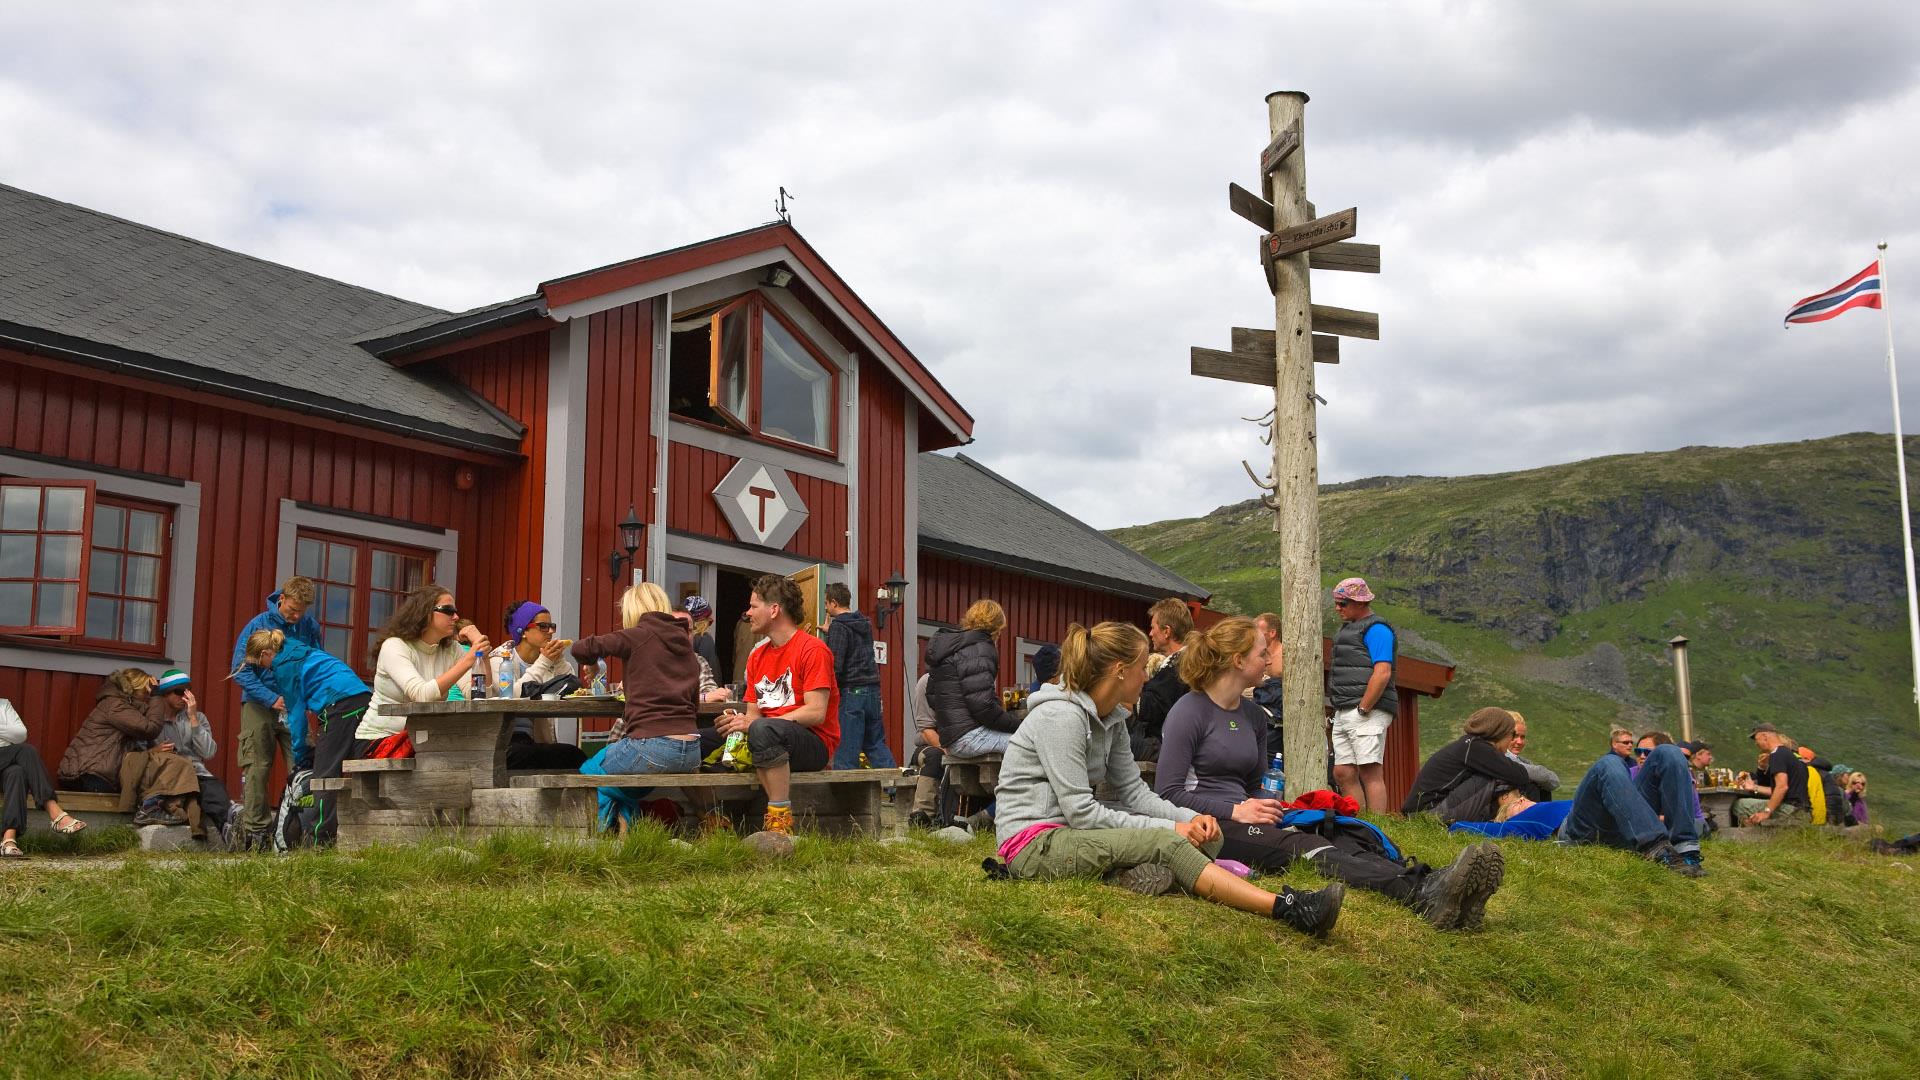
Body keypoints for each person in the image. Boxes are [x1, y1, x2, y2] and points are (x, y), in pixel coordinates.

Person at [991, 620, 1345, 939]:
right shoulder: (1061, 717)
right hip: (1034, 843)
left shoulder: (1111, 719)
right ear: (1119, 670)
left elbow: (1134, 792)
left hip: (1070, 832)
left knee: (1208, 837)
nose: (1147, 677)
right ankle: (1290, 907)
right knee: (1169, 843)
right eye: (1141, 667)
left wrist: (1191, 819)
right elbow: (1082, 812)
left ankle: (1128, 875)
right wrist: (1169, 831)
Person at [1155, 618, 1505, 931]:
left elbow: (1254, 783)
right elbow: (1167, 791)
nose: (1268, 658)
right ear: (1238, 660)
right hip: (1210, 824)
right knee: (1309, 846)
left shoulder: (1253, 716)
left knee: (1341, 834)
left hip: (1252, 815)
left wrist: (1264, 802)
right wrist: (1235, 811)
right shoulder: (1189, 711)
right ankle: (1423, 892)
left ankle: (1443, 888)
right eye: (1262, 652)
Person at [712, 574, 841, 836]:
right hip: (769, 737)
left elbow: (816, 712)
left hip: (813, 742)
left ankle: (780, 817)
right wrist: (737, 724)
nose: (748, 614)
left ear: (774, 610)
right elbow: (753, 715)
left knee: (763, 730)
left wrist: (759, 724)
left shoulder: (813, 649)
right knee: (699, 738)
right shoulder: (757, 655)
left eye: (753, 606)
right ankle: (714, 817)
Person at [570, 583, 702, 833]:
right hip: (692, 751)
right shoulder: (687, 648)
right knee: (622, 784)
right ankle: (625, 833)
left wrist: (592, 665)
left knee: (589, 770)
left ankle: (598, 835)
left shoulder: (639, 634)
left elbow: (580, 648)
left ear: (633, 611)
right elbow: (693, 705)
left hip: (653, 747)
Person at [240, 629, 371, 846]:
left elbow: (297, 717)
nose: (266, 669)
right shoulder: (300, 649)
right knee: (358, 769)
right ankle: (362, 834)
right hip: (364, 700)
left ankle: (321, 842)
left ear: (266, 654)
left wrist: (300, 755)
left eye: (261, 664)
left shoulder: (284, 666)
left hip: (337, 706)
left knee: (324, 778)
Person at [229, 577, 322, 845]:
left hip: (294, 705)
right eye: (292, 609)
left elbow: (315, 662)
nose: (295, 616)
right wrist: (271, 698)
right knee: (257, 765)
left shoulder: (309, 626)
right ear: (281, 599)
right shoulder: (257, 625)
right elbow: (240, 670)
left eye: (301, 611)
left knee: (303, 766)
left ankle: (301, 828)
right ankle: (255, 832)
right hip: (259, 705)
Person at [355, 585, 489, 759]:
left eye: (455, 611)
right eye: (448, 610)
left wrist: (482, 657)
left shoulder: (451, 649)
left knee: (473, 751)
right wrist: (468, 660)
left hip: (422, 741)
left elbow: (477, 695)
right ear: (425, 613)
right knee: (455, 754)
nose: (456, 617)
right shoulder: (395, 646)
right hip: (380, 740)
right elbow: (421, 695)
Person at [1560, 733, 1704, 877]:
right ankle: (1658, 850)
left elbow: (1698, 819)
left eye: (1647, 753)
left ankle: (1686, 853)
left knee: (1670, 751)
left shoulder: (1666, 778)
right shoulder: (1619, 772)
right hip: (1589, 829)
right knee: (1610, 762)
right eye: (1638, 752)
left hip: (1626, 835)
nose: (1642, 756)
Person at [488, 600, 590, 770]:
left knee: (576, 756)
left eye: (552, 626)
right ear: (524, 631)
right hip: (502, 742)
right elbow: (510, 694)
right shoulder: (500, 658)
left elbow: (573, 685)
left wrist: (558, 660)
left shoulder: (546, 659)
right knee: (530, 756)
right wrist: (544, 661)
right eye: (543, 626)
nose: (550, 631)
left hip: (533, 740)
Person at [1327, 577, 1396, 813]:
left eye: (1343, 603)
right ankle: (1359, 823)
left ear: (1359, 602)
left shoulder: (1377, 629)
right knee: (1342, 771)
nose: (1338, 608)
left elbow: (1382, 672)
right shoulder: (1349, 628)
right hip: (1345, 708)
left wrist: (1364, 707)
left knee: (1369, 770)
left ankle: (1378, 826)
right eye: (1337, 602)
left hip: (1365, 710)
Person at [1401, 708, 1539, 824]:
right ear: (1500, 732)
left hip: (1422, 813)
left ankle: (1512, 819)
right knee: (1496, 775)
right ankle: (1519, 820)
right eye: (1512, 734)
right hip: (1424, 816)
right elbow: (1520, 775)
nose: (1512, 740)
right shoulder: (1476, 748)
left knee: (1500, 773)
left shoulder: (1470, 745)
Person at [926, 599, 1020, 760]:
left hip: (951, 739)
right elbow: (983, 705)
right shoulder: (980, 648)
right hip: (971, 737)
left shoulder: (951, 647)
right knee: (1030, 746)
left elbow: (932, 696)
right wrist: (1019, 725)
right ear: (997, 627)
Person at [149, 669, 233, 841]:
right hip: (167, 774)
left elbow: (209, 752)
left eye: (187, 691)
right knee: (202, 790)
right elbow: (137, 752)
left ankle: (229, 828)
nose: (184, 697)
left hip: (196, 774)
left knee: (211, 789)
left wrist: (193, 719)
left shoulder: (198, 717)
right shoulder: (152, 720)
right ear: (165, 694)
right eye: (179, 692)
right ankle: (229, 824)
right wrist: (154, 751)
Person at [1, 698, 86, 857]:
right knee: (26, 751)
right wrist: (7, 733)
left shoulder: (4, 704)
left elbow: (20, 734)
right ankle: (54, 812)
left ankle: (9, 838)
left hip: (5, 765)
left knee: (17, 772)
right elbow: (15, 737)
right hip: (8, 755)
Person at [824, 582, 894, 770]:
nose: (825, 608)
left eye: (826, 603)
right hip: (872, 691)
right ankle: (894, 786)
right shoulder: (864, 624)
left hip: (851, 692)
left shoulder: (838, 626)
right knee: (875, 743)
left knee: (846, 749)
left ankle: (846, 796)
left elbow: (835, 665)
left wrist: (826, 695)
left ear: (834, 602)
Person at [1130, 598, 1193, 762]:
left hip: (1168, 752)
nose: (1150, 633)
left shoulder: (1177, 668)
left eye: (1153, 627)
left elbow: (1149, 709)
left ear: (1167, 631)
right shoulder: (1190, 663)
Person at [1735, 723, 1811, 827]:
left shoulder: (1776, 754)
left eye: (1756, 739)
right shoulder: (1791, 756)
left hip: (1790, 809)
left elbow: (1782, 787)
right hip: (1803, 810)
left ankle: (1752, 837)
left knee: (1739, 805)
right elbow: (1780, 789)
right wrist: (1754, 787)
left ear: (1765, 736)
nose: (1756, 743)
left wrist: (1766, 812)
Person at [1505, 711, 1559, 799]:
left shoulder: (1523, 761)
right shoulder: (1502, 759)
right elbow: (1550, 779)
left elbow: (1554, 782)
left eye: (1522, 737)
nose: (1519, 742)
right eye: (1515, 736)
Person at [683, 595, 722, 681]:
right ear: (702, 620)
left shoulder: (681, 638)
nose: (712, 620)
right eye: (708, 619)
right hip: (706, 689)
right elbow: (712, 672)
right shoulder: (704, 639)